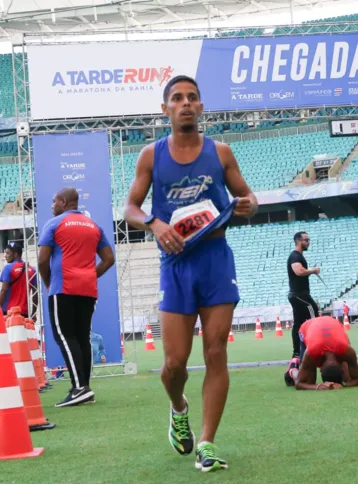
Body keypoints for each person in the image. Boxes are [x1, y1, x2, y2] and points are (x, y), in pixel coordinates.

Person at [123, 75, 258, 472]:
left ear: (201, 108)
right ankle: (178, 406)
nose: (186, 104)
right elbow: (129, 207)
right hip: (176, 263)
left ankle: (207, 442)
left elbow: (248, 197)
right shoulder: (151, 155)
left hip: (216, 258)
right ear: (165, 110)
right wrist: (154, 223)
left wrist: (248, 204)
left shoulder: (221, 152)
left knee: (216, 350)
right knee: (174, 364)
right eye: (178, 98)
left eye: (193, 98)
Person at [37, 187, 115, 407]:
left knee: (64, 336)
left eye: (54, 201)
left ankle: (80, 388)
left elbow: (43, 260)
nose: (52, 205)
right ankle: (84, 387)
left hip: (63, 288)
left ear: (63, 202)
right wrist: (91, 275)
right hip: (87, 290)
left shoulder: (54, 224)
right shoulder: (93, 225)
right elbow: (109, 258)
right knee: (82, 338)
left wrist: (48, 282)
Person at [293, 316, 358, 390]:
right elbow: (298, 383)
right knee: (309, 381)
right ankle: (292, 370)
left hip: (332, 324)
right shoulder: (311, 352)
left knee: (348, 379)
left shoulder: (348, 351)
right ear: (321, 369)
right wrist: (318, 387)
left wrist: (343, 384)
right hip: (307, 327)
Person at [287, 231, 320, 358]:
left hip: (298, 295)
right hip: (299, 295)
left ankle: (297, 353)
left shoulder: (298, 256)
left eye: (308, 240)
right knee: (314, 316)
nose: (308, 242)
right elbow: (299, 271)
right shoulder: (295, 256)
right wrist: (313, 270)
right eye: (306, 240)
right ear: (299, 241)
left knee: (298, 324)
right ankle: (316, 346)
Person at [0, 241, 38, 319]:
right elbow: (35, 294)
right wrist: (34, 313)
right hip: (24, 314)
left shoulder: (8, 268)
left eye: (7, 253)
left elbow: (4, 290)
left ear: (15, 254)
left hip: (8, 313)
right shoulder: (32, 270)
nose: (5, 256)